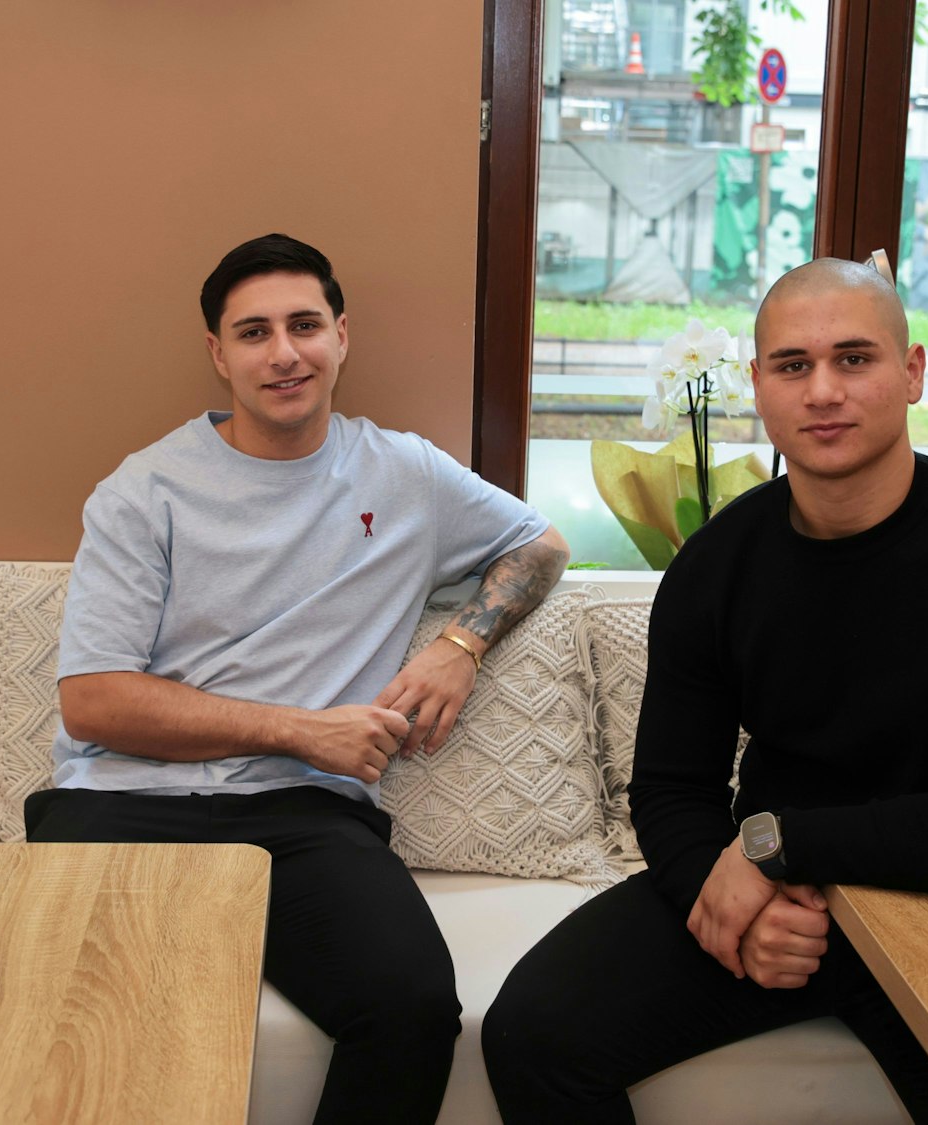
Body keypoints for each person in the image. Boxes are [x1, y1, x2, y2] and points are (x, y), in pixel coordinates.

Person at [482, 257, 928, 1123]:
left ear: (913, 372)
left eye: (855, 359)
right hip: (778, 891)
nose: (823, 391)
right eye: (793, 365)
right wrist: (725, 899)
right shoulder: (716, 562)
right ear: (758, 385)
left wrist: (777, 847)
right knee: (532, 1034)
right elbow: (670, 786)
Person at [29, 233, 570, 1124]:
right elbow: (93, 700)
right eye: (253, 332)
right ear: (218, 354)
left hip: (304, 820)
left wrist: (460, 646)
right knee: (86, 1030)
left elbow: (539, 544)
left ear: (341, 337)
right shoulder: (143, 491)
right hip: (122, 807)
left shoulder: (406, 474)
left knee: (416, 1010)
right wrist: (299, 728)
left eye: (304, 324)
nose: (284, 352)